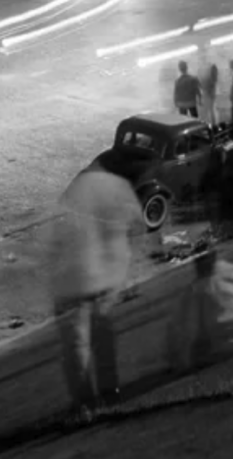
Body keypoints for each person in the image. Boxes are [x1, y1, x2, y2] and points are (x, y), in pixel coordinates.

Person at [48, 163, 144, 416]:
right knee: (104, 342)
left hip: (71, 282)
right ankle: (110, 395)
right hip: (106, 280)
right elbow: (137, 225)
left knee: (76, 347)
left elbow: (52, 242)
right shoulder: (117, 185)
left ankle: (85, 403)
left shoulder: (66, 193)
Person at [166, 248, 233, 373]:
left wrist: (183, 363)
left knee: (201, 352)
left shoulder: (196, 290)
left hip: (228, 346)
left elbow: (188, 333)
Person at [198, 55, 220, 128]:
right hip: (211, 91)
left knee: (210, 109)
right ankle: (214, 124)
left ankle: (213, 125)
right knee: (212, 109)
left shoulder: (210, 68)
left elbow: (209, 81)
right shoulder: (212, 67)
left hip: (210, 92)